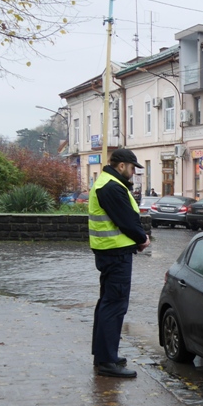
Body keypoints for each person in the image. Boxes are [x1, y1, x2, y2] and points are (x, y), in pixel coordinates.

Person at [89, 148, 151, 378]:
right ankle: (106, 361)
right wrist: (142, 238)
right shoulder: (112, 187)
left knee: (108, 303)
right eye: (133, 168)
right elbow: (125, 220)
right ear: (122, 165)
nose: (133, 172)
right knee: (114, 305)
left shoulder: (107, 183)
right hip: (115, 254)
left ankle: (105, 356)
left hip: (111, 253)